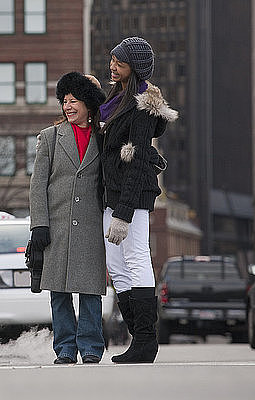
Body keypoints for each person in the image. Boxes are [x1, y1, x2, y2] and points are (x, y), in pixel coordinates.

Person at [96, 37, 178, 363]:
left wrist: (124, 212)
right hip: (112, 194)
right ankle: (138, 338)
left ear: (135, 67)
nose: (112, 66)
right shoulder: (115, 98)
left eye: (119, 62)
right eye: (112, 59)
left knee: (136, 260)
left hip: (133, 196)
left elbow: (140, 158)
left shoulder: (143, 105)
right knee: (116, 266)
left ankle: (146, 341)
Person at [30, 71, 107, 365]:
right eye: (65, 101)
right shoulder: (50, 137)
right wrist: (39, 224)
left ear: (88, 103)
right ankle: (64, 347)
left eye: (74, 100)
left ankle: (90, 346)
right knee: (59, 291)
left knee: (90, 290)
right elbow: (38, 184)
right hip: (57, 224)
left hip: (91, 224)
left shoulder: (103, 136)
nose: (67, 106)